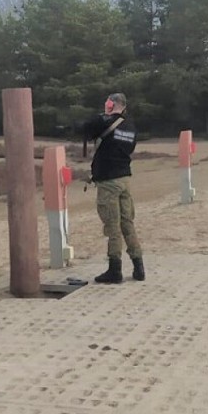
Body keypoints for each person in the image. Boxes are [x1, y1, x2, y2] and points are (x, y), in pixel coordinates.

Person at [81, 92, 144, 283]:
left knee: (112, 225)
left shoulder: (104, 122)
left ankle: (114, 270)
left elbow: (85, 129)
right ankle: (138, 266)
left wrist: (101, 116)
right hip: (125, 178)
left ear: (110, 104)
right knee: (127, 223)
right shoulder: (130, 126)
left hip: (108, 181)